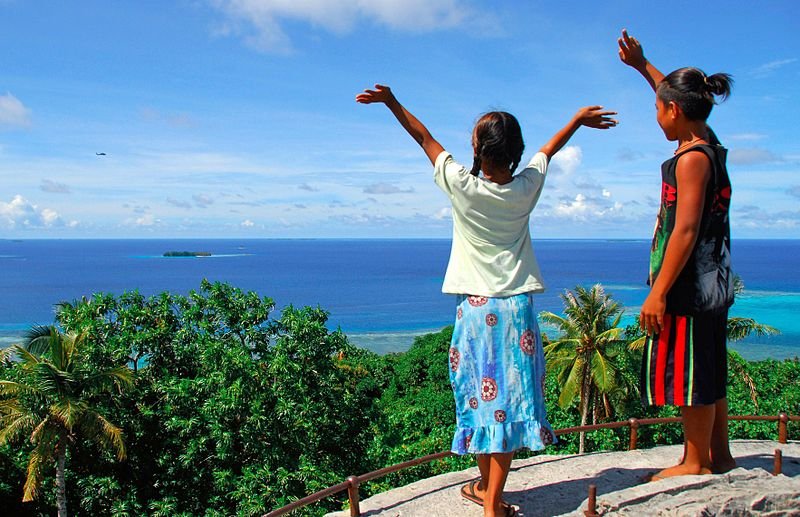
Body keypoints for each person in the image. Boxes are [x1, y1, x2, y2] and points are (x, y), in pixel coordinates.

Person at [356, 84, 617, 516]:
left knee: (481, 404)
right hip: (517, 312)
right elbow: (548, 151)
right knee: (510, 408)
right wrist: (576, 121)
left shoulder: (462, 185)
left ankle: (491, 503)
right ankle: (488, 492)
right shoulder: (526, 188)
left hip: (476, 312)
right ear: (516, 151)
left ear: (477, 149)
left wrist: (392, 103)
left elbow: (423, 138)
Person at [618, 29, 737, 480]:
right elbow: (679, 98)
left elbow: (683, 229)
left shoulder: (691, 159)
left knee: (691, 372)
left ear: (673, 111)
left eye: (657, 109)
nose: (656, 116)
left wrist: (658, 292)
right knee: (709, 364)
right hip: (714, 281)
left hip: (688, 284)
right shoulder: (710, 146)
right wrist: (643, 65)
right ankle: (719, 454)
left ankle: (695, 461)